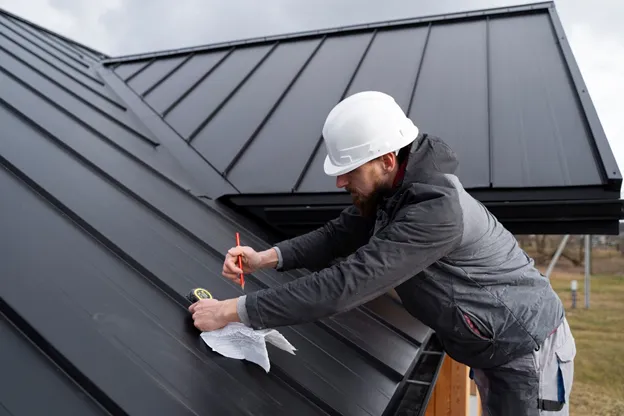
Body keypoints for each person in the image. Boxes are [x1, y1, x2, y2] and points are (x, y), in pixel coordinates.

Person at [188, 91, 576, 416]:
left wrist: (233, 311)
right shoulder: (395, 191)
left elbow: (345, 285)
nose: (340, 180)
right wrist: (266, 257)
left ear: (387, 160)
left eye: (349, 169)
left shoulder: (435, 211)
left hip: (525, 347)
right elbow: (338, 235)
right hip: (492, 343)